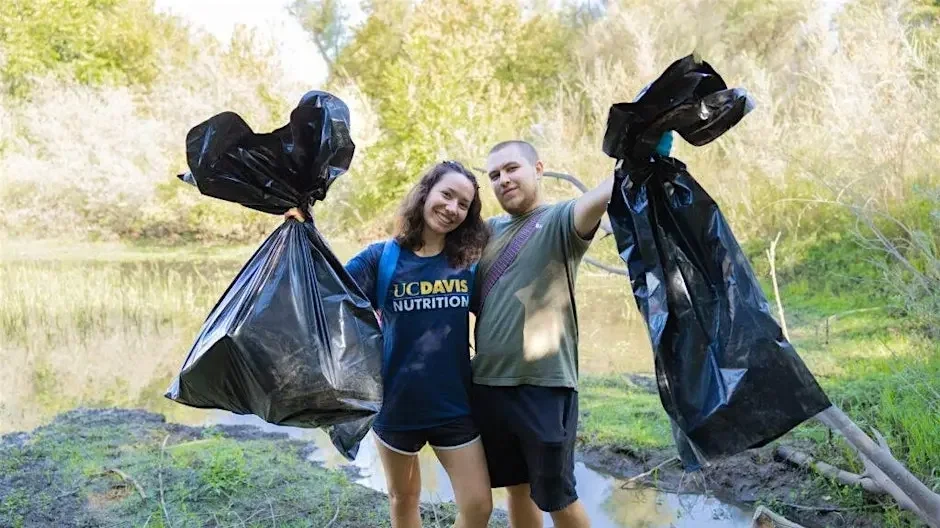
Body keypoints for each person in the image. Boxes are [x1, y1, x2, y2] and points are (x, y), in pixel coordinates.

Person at [286, 161, 492, 528]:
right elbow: (327, 291)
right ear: (425, 193)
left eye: (463, 204)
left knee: (478, 506)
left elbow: (497, 313)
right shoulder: (381, 258)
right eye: (446, 195)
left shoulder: (467, 263)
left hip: (455, 406)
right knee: (403, 499)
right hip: (396, 407)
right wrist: (304, 232)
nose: (452, 208)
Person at [470, 140, 619, 528]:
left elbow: (601, 195)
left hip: (545, 387)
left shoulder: (560, 220)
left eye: (512, 169)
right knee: (516, 489)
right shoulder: (486, 233)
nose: (503, 180)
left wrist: (641, 151)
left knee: (558, 498)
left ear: (538, 169)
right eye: (494, 175)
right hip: (488, 384)